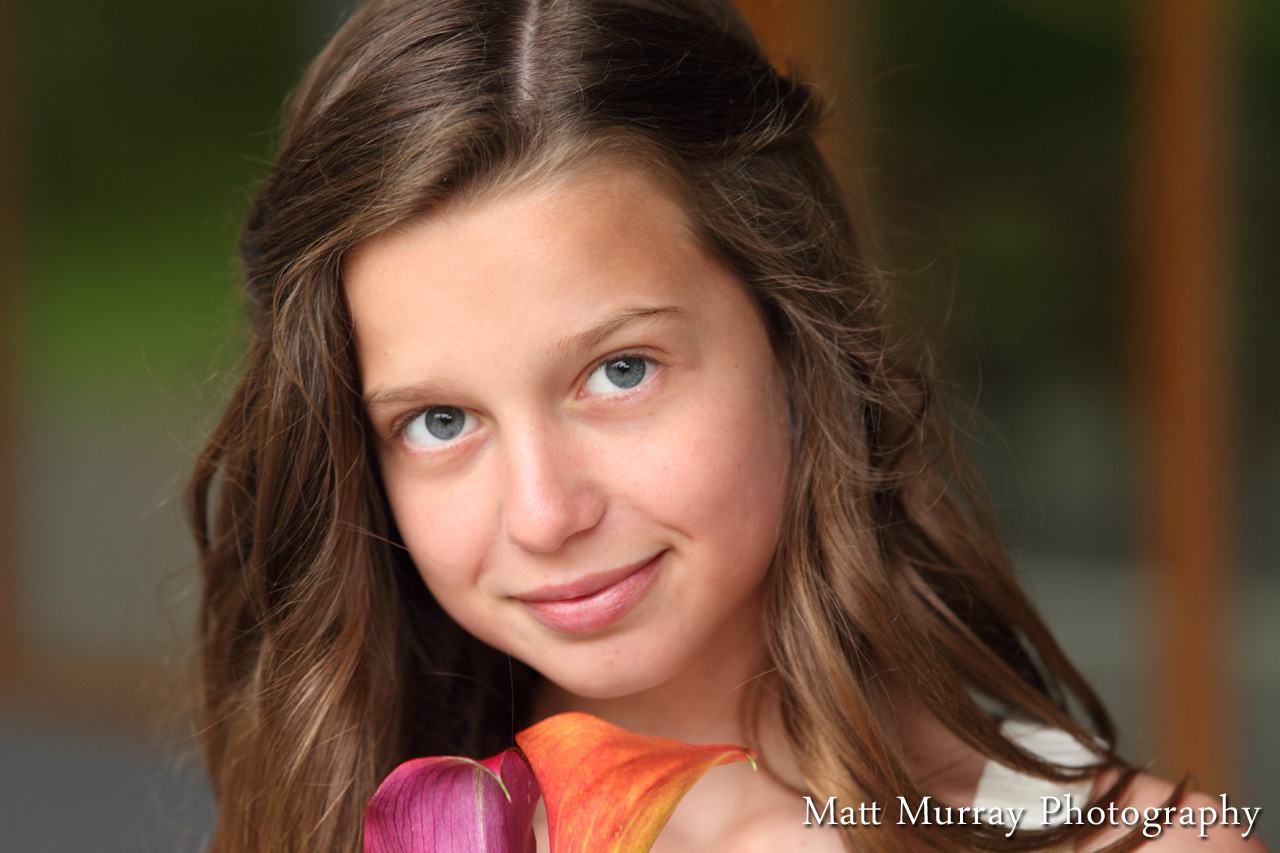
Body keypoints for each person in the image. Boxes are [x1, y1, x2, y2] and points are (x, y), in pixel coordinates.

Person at [186, 1, 1266, 851]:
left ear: (793, 341)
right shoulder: (329, 821)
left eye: (618, 370)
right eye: (435, 419)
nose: (543, 512)